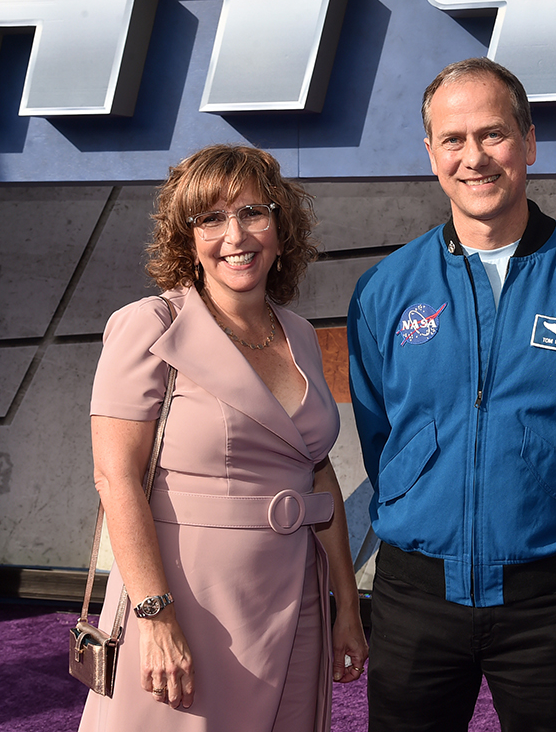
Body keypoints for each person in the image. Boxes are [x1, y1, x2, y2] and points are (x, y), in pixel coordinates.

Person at [348, 57, 556, 731]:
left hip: (550, 601)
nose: (475, 158)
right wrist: (421, 498)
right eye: (454, 140)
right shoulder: (386, 288)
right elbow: (380, 431)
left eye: (493, 135)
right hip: (415, 597)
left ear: (529, 140)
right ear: (431, 153)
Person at [78, 144, 366, 732]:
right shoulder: (150, 325)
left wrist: (346, 606)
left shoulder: (302, 335)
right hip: (187, 601)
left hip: (297, 597)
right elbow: (116, 479)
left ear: (281, 230)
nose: (235, 234)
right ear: (187, 240)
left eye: (253, 213)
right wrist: (155, 618)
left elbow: (318, 469)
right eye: (210, 218)